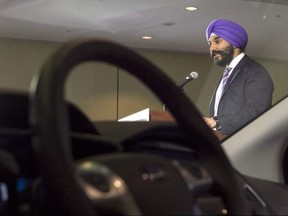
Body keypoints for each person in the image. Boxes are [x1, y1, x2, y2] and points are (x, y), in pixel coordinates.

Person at [203, 19, 274, 136]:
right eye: (210, 43)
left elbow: (257, 112)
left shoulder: (255, 72)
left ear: (234, 43)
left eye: (217, 41)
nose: (212, 48)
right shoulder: (228, 72)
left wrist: (216, 122)